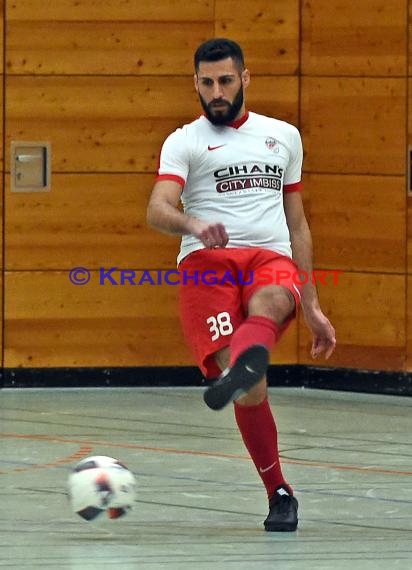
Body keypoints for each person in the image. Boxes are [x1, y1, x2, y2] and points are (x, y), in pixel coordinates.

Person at [147, 38, 336, 532]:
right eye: (206, 82)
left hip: (268, 257)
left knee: (274, 297)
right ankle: (278, 487)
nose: (216, 91)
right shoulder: (183, 141)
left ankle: (248, 363)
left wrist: (312, 305)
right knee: (252, 389)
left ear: (245, 79)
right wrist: (193, 225)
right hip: (206, 263)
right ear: (195, 83)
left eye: (226, 80)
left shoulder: (283, 136)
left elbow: (298, 224)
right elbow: (158, 208)